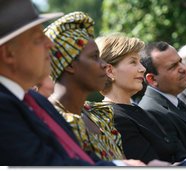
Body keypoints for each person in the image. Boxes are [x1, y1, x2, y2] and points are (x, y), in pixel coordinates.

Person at [0, 0, 142, 166]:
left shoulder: (35, 100)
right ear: (8, 53)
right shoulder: (6, 106)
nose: (49, 44)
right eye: (38, 39)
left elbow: (79, 156)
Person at [44, 11, 169, 167]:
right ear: (69, 65)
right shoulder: (53, 120)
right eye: (94, 57)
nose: (104, 65)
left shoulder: (100, 114)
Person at [95, 34, 186, 166]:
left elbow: (178, 152)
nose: (142, 69)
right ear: (110, 71)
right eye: (133, 62)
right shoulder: (115, 117)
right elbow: (148, 164)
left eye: (140, 62)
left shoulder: (138, 110)